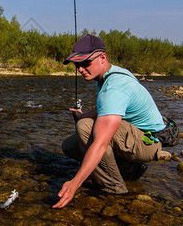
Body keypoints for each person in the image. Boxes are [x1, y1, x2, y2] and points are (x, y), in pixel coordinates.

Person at [53, 34, 170, 208]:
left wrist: (75, 183)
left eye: (85, 63)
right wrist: (83, 115)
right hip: (137, 137)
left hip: (148, 142)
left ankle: (115, 189)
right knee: (70, 145)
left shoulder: (115, 87)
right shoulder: (110, 73)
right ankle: (127, 170)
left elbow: (100, 143)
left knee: (85, 129)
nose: (80, 69)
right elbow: (105, 109)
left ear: (102, 57)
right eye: (77, 64)